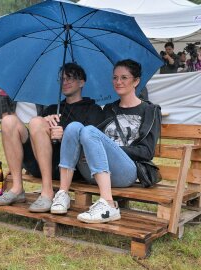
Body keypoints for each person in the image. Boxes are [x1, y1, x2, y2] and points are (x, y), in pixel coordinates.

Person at [50, 59, 161, 224]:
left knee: (88, 130)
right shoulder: (109, 109)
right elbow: (93, 141)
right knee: (73, 127)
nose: (118, 82)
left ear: (136, 81)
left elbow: (146, 152)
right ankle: (63, 194)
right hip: (94, 172)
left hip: (126, 171)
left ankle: (108, 204)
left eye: (124, 77)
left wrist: (109, 150)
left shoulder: (149, 111)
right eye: (115, 77)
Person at [0, 63, 104, 213]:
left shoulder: (92, 110)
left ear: (82, 82)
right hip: (40, 164)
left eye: (70, 78)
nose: (65, 82)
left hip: (69, 169)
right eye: (62, 79)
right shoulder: (52, 108)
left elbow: (93, 145)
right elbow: (37, 136)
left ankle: (47, 192)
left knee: (37, 121)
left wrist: (65, 136)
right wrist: (45, 126)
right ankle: (17, 188)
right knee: (9, 121)